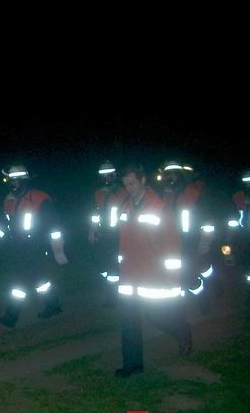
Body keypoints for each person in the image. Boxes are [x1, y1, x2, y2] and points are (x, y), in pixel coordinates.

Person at [116, 163, 192, 379]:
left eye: (131, 183)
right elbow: (123, 242)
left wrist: (173, 279)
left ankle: (181, 331)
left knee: (157, 316)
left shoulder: (160, 208)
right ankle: (132, 365)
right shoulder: (125, 207)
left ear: (142, 181)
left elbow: (172, 246)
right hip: (130, 276)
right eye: (125, 184)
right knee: (129, 322)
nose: (128, 188)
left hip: (153, 276)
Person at [0, 164, 67, 328]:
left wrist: (58, 250)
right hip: (17, 246)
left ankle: (11, 316)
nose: (12, 184)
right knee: (39, 279)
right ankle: (53, 306)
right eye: (9, 180)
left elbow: (54, 227)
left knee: (18, 282)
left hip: (36, 246)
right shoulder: (8, 200)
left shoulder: (40, 199)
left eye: (15, 180)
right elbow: (0, 225)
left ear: (24, 180)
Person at [157, 161, 216, 312]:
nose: (171, 178)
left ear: (180, 176)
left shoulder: (192, 193)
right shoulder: (163, 196)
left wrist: (205, 243)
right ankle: (179, 307)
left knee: (190, 276)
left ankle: (203, 300)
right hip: (169, 243)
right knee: (173, 276)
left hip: (190, 242)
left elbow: (207, 220)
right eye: (168, 175)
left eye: (174, 174)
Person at [88, 161, 127, 305]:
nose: (106, 179)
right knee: (102, 265)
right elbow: (95, 214)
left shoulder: (123, 193)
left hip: (118, 236)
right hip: (102, 236)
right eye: (103, 177)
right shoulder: (98, 194)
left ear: (114, 176)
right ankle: (112, 292)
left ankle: (114, 297)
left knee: (114, 268)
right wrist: (92, 230)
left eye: (109, 176)